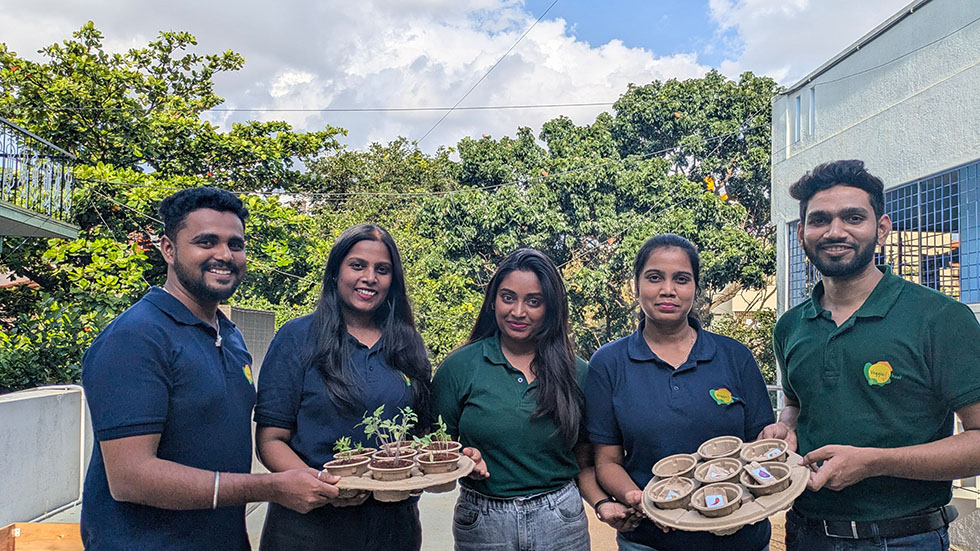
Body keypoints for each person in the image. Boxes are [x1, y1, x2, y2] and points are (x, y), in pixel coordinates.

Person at [81, 187, 337, 551]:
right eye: (206, 242)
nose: (224, 255)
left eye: (236, 244)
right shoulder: (137, 337)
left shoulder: (230, 336)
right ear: (168, 249)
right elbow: (130, 478)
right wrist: (271, 488)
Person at [760, 159, 980, 550]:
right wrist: (786, 429)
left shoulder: (941, 319)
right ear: (802, 235)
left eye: (853, 217)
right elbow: (795, 404)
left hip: (905, 538)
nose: (835, 231)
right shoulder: (790, 326)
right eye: (820, 219)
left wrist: (875, 462)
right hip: (806, 533)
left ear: (881, 229)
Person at [254, 223, 484, 551]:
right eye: (357, 265)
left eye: (383, 269)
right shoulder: (297, 338)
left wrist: (452, 456)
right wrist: (320, 484)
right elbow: (271, 440)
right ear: (335, 273)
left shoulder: (408, 344)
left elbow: (419, 435)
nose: (370, 277)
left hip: (393, 528)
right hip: (310, 527)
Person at [432, 248, 635, 551]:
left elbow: (583, 461)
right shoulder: (460, 367)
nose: (518, 311)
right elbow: (433, 457)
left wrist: (603, 504)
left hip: (560, 521)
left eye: (534, 301)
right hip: (483, 522)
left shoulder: (577, 372)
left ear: (551, 309)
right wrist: (463, 461)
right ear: (493, 301)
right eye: (508, 297)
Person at [586, 233, 775, 551]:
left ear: (696, 289)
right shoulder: (608, 363)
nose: (667, 290)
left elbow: (761, 447)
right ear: (637, 285)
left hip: (741, 538)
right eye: (654, 277)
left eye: (681, 279)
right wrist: (639, 498)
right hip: (651, 541)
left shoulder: (734, 356)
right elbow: (607, 461)